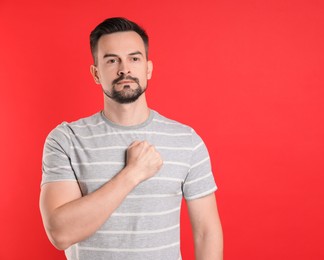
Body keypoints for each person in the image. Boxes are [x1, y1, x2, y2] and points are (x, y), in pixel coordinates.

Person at [39, 17, 223, 260]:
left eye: (134, 58)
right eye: (112, 60)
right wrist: (132, 174)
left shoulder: (187, 141)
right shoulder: (66, 140)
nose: (124, 68)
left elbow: (206, 233)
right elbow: (60, 233)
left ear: (147, 69)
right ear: (96, 73)